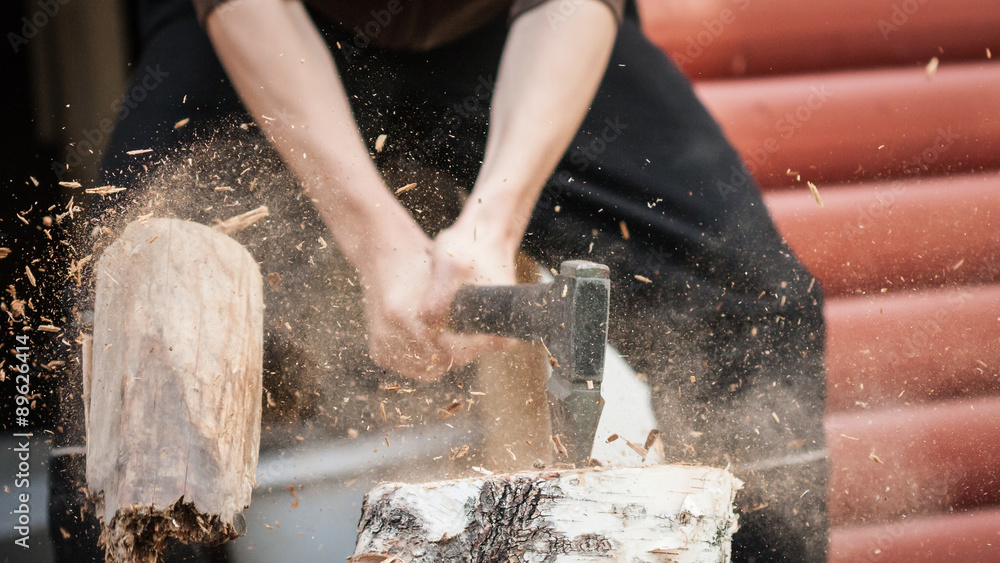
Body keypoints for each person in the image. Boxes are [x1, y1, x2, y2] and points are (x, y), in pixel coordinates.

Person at [59, 0, 829, 560]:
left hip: (515, 28)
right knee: (110, 334)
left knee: (756, 307)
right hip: (263, 28)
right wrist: (372, 234)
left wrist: (495, 220)